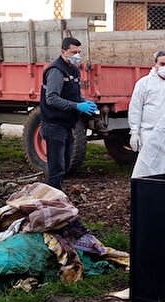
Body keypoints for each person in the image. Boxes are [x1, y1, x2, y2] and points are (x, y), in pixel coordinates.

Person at [40, 37, 97, 190]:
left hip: (66, 124)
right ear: (63, 51)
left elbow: (74, 93)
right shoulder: (56, 71)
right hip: (54, 124)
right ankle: (53, 200)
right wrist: (77, 106)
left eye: (79, 52)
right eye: (74, 52)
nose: (77, 55)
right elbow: (51, 98)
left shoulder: (73, 69)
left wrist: (86, 102)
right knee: (56, 169)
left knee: (64, 165)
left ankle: (57, 197)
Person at [128, 50, 165, 152]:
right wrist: (134, 131)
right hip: (148, 133)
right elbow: (136, 108)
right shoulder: (144, 83)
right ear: (155, 64)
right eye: (162, 64)